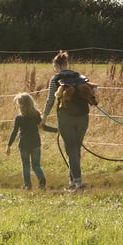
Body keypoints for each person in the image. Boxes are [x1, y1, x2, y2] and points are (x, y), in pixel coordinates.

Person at [41, 50, 90, 191]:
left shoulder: (55, 79)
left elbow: (50, 100)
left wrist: (43, 119)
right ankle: (72, 183)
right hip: (83, 117)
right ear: (67, 64)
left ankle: (79, 183)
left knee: (71, 150)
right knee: (76, 149)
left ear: (57, 65)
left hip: (66, 118)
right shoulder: (79, 77)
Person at [6, 92, 57, 190]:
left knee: (25, 166)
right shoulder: (36, 115)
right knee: (36, 165)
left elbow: (14, 132)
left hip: (24, 144)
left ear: (20, 106)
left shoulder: (19, 118)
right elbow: (44, 127)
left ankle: (27, 185)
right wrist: (57, 130)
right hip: (35, 143)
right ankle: (41, 178)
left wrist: (9, 145)